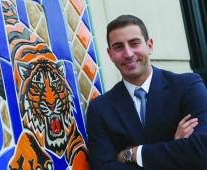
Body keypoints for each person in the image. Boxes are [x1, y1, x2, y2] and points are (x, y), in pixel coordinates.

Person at [87, 15, 207, 170]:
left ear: (149, 45)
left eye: (134, 43)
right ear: (110, 54)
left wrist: (133, 153)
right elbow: (103, 168)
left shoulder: (188, 86)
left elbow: (201, 151)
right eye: (118, 47)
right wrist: (175, 149)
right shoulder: (100, 109)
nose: (128, 53)